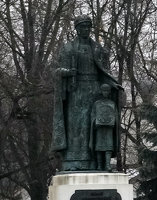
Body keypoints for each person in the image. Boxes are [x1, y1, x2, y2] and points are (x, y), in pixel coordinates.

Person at [52, 16, 122, 171]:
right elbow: (56, 71)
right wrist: (67, 72)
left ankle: (97, 162)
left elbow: (105, 73)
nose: (86, 30)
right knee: (76, 127)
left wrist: (113, 86)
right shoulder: (68, 48)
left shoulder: (98, 49)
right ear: (76, 29)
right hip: (75, 91)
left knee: (94, 126)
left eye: (88, 27)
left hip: (95, 91)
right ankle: (73, 161)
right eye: (83, 27)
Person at [90, 84, 118, 172]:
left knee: (108, 147)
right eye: (104, 91)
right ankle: (99, 165)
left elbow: (115, 115)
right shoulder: (97, 103)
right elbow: (93, 115)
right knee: (99, 147)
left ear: (109, 92)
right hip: (99, 128)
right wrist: (95, 121)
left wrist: (113, 121)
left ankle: (107, 165)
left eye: (107, 91)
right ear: (101, 92)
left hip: (109, 128)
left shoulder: (112, 103)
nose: (105, 93)